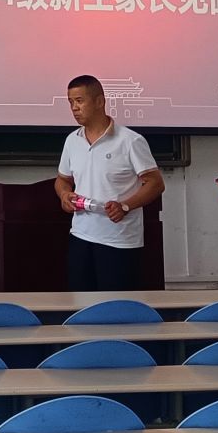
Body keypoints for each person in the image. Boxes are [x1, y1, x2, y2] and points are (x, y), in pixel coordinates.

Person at [53, 74, 163, 291]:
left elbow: (156, 183)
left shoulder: (130, 140)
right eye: (71, 102)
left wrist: (125, 206)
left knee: (116, 305)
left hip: (119, 240)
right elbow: (62, 179)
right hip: (80, 235)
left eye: (80, 101)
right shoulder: (72, 140)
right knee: (81, 302)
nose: (74, 108)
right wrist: (64, 195)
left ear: (99, 101)